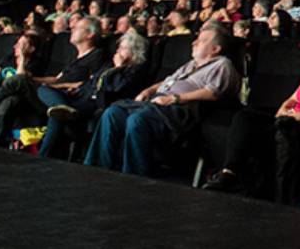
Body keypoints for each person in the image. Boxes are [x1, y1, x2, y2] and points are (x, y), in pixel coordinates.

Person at [202, 30, 300, 202]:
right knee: (244, 117)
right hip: (288, 117)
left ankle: (264, 191)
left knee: (268, 131)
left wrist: (298, 115)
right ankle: (229, 172)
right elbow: (294, 98)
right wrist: (282, 110)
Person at [84, 25, 240, 177]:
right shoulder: (191, 64)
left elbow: (213, 93)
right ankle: (96, 169)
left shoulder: (222, 65)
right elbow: (168, 81)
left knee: (137, 119)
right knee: (113, 112)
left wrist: (175, 98)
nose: (194, 42)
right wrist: (148, 90)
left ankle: (132, 177)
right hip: (157, 103)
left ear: (215, 49)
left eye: (202, 40)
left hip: (179, 109)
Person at [39, 31, 149, 158]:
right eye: (119, 47)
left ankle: (44, 153)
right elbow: (90, 83)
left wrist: (118, 67)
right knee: (43, 89)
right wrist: (65, 87)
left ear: (134, 52)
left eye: (123, 48)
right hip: (81, 96)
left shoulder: (135, 71)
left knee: (57, 116)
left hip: (94, 104)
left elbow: (116, 88)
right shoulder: (108, 65)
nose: (118, 51)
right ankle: (62, 106)